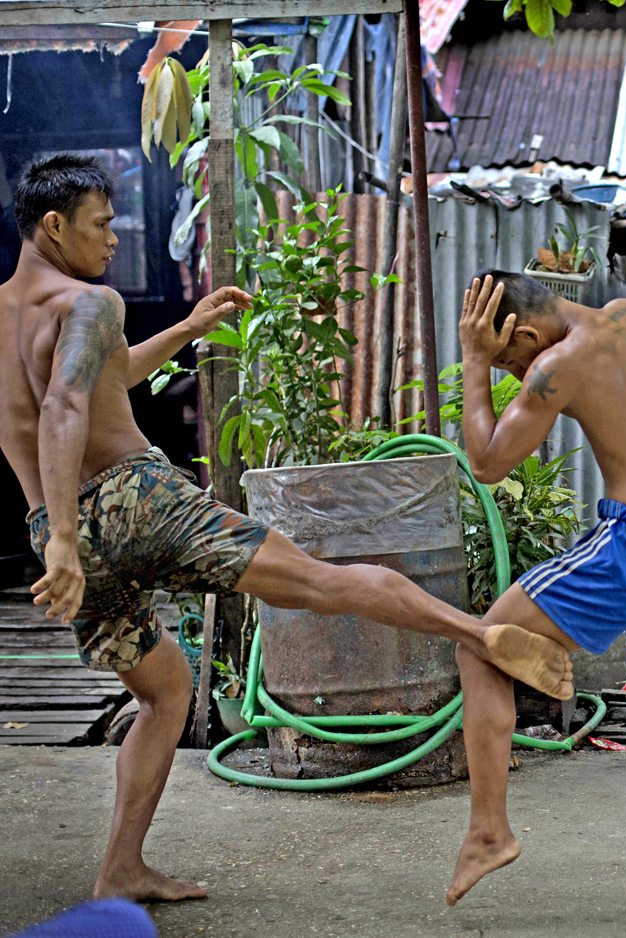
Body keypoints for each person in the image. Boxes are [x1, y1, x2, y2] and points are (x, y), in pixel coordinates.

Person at [0, 155, 572, 905]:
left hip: (58, 529)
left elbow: (99, 383)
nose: (114, 239)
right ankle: (476, 632)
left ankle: (120, 870)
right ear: (54, 226)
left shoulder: (14, 313)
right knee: (319, 580)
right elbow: (67, 410)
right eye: (103, 224)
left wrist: (189, 328)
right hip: (128, 502)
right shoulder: (90, 302)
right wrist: (74, 537)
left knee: (165, 693)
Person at [449, 269, 626, 912]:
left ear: (525, 333)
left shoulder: (559, 364)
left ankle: (489, 830)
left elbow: (488, 463)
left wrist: (473, 362)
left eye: (506, 360)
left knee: (477, 645)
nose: (509, 376)